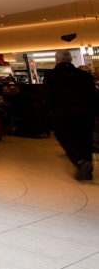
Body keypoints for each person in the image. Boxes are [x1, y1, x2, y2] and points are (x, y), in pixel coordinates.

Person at [44, 50, 99, 180]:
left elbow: (48, 97)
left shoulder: (52, 75)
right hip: (86, 113)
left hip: (63, 112)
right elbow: (95, 96)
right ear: (71, 60)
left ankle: (80, 161)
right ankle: (87, 169)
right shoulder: (84, 76)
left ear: (56, 59)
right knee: (85, 140)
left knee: (64, 137)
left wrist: (51, 111)